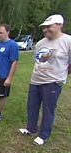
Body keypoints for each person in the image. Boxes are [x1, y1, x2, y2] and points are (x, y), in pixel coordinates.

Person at [18, 14, 71, 145]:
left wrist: (62, 75)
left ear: (59, 25)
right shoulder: (41, 43)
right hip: (36, 80)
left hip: (53, 82)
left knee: (48, 109)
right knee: (32, 106)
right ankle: (31, 129)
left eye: (48, 27)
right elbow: (38, 61)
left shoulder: (68, 41)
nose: (45, 30)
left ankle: (44, 135)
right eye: (44, 27)